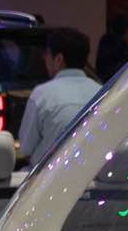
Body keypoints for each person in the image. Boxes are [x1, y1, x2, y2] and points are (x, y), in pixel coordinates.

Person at [15, 26, 102, 162]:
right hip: (90, 175)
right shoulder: (101, 92)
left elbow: (26, 148)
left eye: (47, 54)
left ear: (59, 59)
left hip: (50, 179)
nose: (45, 59)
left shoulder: (42, 95)